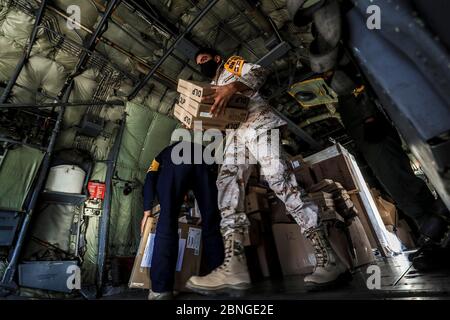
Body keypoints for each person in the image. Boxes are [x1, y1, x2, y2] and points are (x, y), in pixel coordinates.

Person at [185, 47, 350, 295]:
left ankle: (329, 258)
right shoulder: (210, 87)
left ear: (217, 58)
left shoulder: (232, 66)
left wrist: (232, 87)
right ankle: (234, 268)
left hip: (260, 125)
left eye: (205, 60)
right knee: (226, 188)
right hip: (235, 137)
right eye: (198, 63)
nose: (202, 65)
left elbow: (260, 72)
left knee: (279, 181)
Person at [141, 140, 224, 299]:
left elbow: (150, 179)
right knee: (212, 222)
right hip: (205, 156)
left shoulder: (160, 157)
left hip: (177, 160)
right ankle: (219, 283)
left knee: (167, 222)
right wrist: (202, 212)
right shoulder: (193, 148)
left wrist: (147, 210)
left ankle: (161, 289)